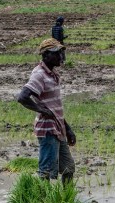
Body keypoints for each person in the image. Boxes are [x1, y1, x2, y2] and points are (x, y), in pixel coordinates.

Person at [16, 39, 76, 184]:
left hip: (58, 128)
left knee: (68, 168)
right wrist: (42, 110)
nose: (61, 57)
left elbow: (55, 106)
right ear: (46, 55)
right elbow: (23, 97)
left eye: (61, 53)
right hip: (48, 130)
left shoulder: (52, 74)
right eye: (57, 54)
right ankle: (44, 202)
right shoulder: (39, 74)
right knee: (46, 172)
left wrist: (67, 129)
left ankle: (66, 200)